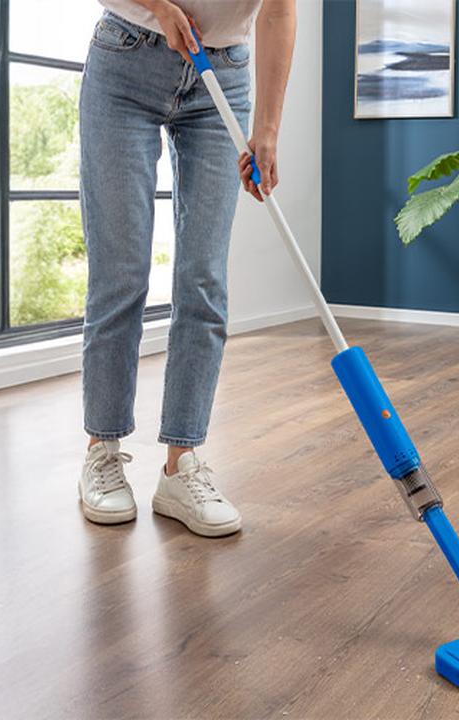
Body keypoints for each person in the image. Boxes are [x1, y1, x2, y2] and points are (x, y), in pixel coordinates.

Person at [76, 0, 295, 531]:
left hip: (224, 72)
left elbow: (279, 13)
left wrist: (266, 128)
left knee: (204, 279)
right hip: (125, 57)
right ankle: (102, 450)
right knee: (121, 272)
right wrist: (157, 8)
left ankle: (181, 464)